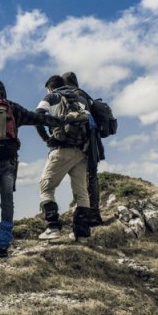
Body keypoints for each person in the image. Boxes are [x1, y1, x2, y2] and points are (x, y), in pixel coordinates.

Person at [0, 79, 65, 258]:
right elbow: (37, 118)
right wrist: (62, 121)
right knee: (7, 203)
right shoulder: (13, 107)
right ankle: (2, 247)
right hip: (9, 164)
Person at [35, 75, 93, 243]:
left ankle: (52, 228)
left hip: (61, 150)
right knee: (81, 192)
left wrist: (46, 138)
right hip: (81, 152)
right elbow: (90, 123)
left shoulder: (50, 97)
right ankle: (81, 234)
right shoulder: (80, 100)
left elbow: (38, 116)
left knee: (45, 187)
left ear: (51, 88)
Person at [61, 72, 105, 226]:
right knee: (90, 178)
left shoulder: (72, 96)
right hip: (92, 142)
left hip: (83, 144)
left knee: (85, 179)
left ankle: (88, 216)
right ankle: (93, 215)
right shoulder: (83, 94)